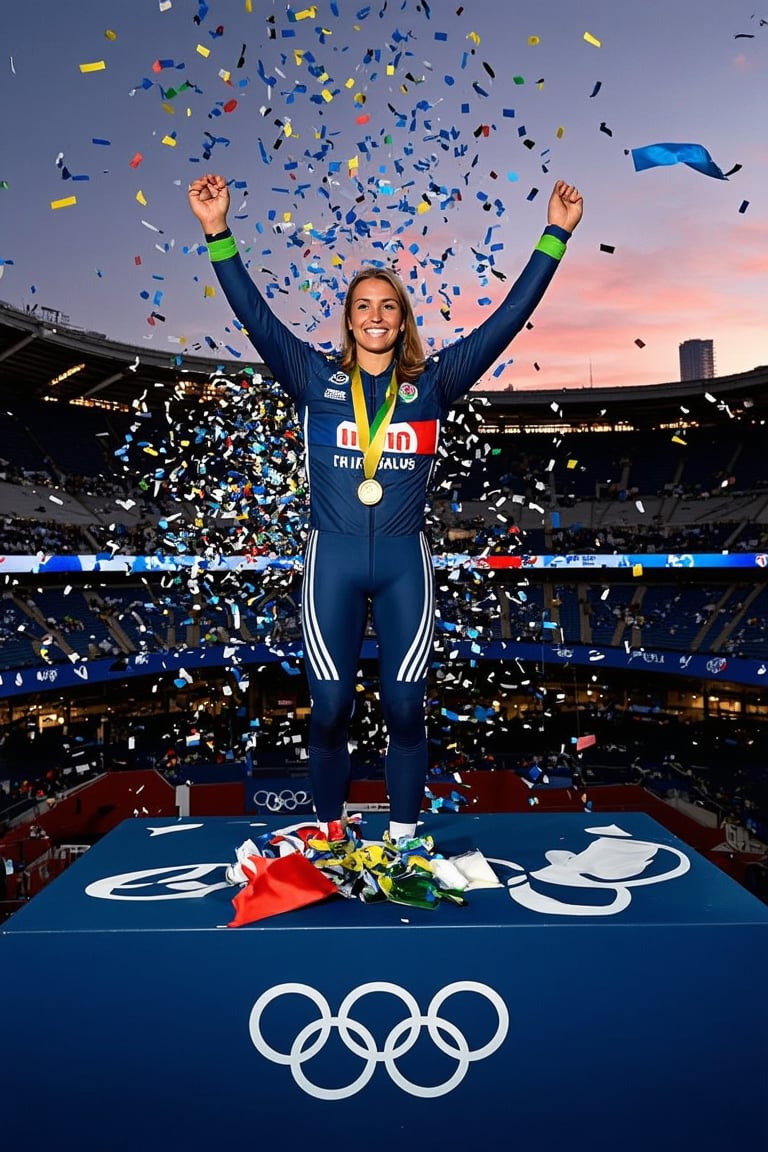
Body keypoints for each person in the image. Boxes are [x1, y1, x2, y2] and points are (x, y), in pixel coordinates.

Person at [188, 172, 583, 845]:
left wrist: (555, 235)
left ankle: (403, 843)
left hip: (405, 562)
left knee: (405, 704)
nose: (375, 315)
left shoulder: (435, 383)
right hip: (331, 560)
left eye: (388, 306)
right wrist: (217, 232)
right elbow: (256, 317)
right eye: (363, 305)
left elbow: (508, 318)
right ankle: (329, 835)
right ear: (348, 318)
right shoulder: (313, 377)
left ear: (403, 319)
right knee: (331, 706)